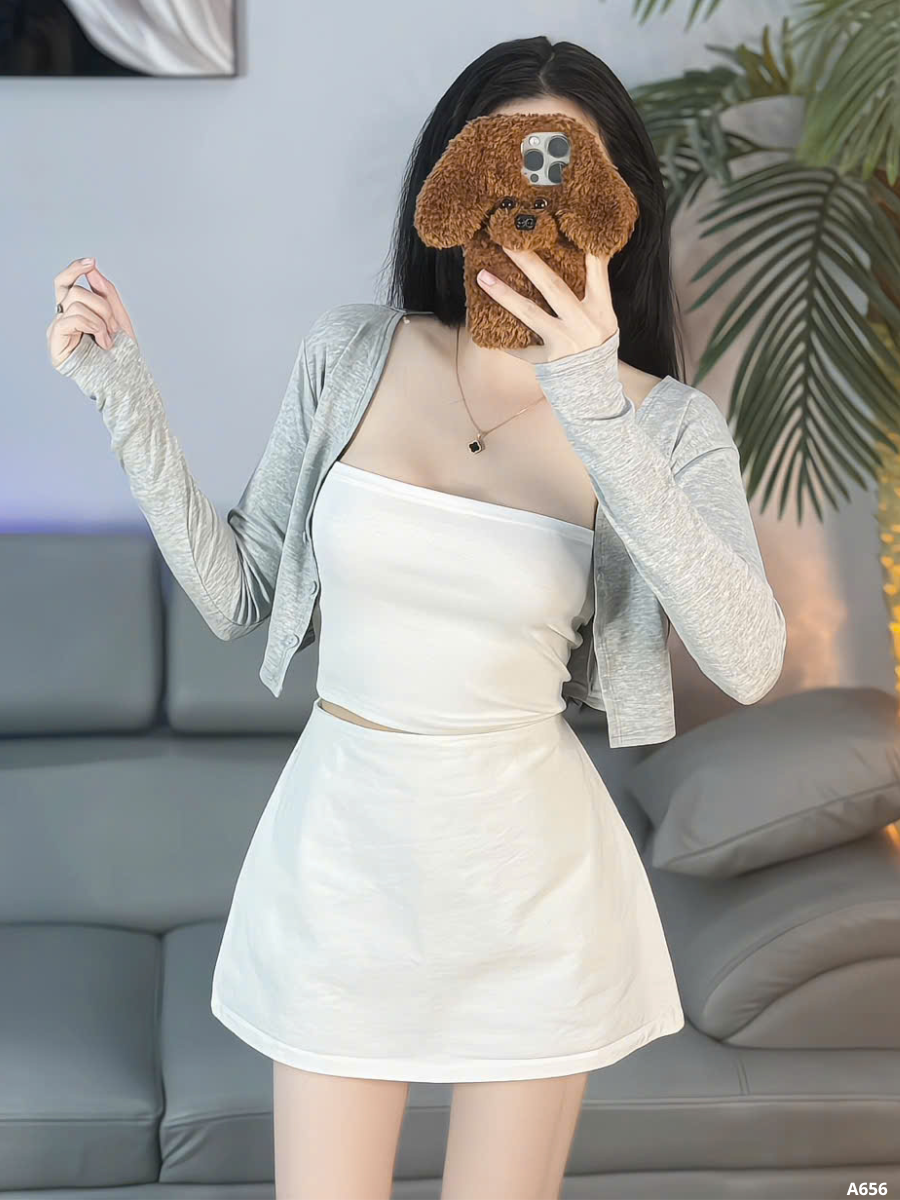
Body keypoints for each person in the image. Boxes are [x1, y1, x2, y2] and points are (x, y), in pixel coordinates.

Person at [48, 34, 785, 1200]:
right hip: (342, 861)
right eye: (501, 165)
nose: (530, 208)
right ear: (452, 185)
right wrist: (122, 391)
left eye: (564, 171)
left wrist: (592, 399)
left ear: (617, 211)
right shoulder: (350, 354)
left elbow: (747, 661)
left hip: (531, 883)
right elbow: (239, 596)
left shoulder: (666, 425)